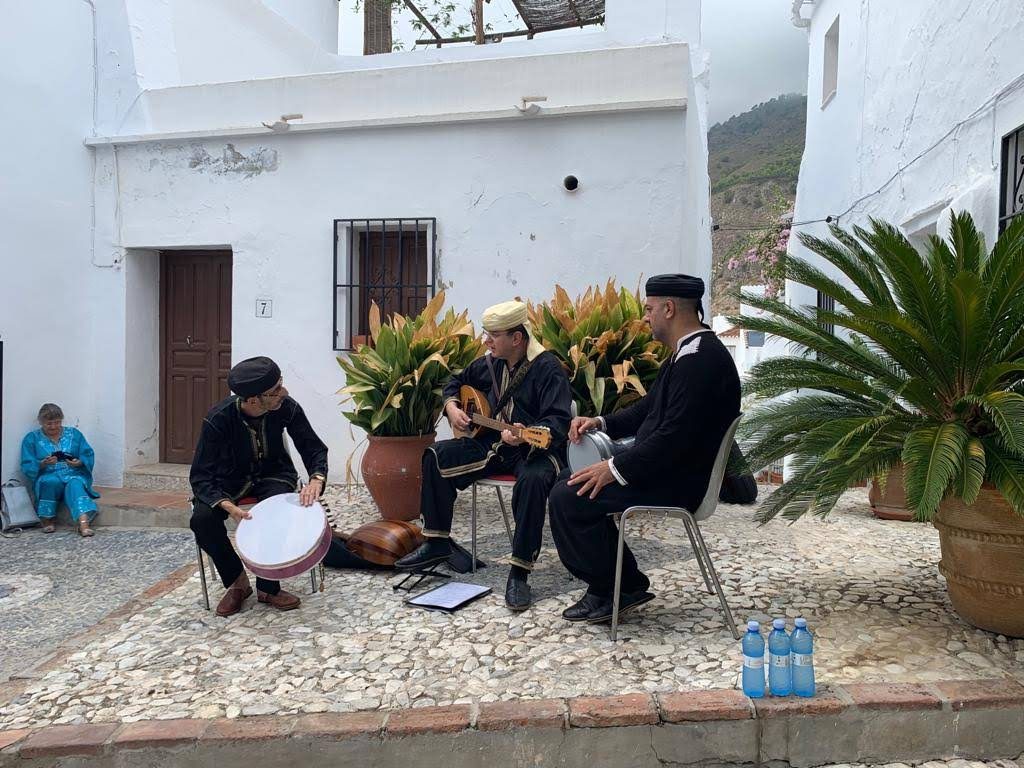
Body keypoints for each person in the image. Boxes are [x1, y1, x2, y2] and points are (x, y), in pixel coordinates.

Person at [549, 274, 741, 624]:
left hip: (679, 481)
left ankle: (615, 587)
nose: (646, 317)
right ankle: (621, 583)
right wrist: (600, 423)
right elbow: (647, 411)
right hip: (667, 469)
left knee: (568, 496)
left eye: (650, 309)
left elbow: (673, 439)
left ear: (669, 309)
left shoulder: (701, 361)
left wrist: (613, 469)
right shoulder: (687, 353)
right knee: (570, 479)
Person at [394, 300, 573, 611]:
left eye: (493, 335)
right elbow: (454, 383)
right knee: (436, 455)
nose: (486, 341)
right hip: (494, 444)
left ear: (517, 338)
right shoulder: (490, 363)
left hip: (537, 450)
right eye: (485, 333)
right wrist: (452, 408)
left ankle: (519, 572)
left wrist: (526, 432)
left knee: (532, 481)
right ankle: (436, 542)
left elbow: (559, 420)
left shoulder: (548, 369)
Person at [189, 356, 344, 617]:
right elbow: (200, 477)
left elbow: (312, 447)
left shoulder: (286, 407)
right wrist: (227, 506)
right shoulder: (218, 419)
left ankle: (268, 588)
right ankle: (237, 582)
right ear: (252, 400)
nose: (283, 392)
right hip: (228, 482)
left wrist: (317, 479)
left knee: (275, 513)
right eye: (274, 391)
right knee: (202, 520)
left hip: (274, 475)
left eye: (281, 384)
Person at [20, 403, 100, 536]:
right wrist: (43, 464)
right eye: (49, 424)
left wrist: (79, 462)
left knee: (75, 484)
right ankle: (47, 519)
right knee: (50, 482)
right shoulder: (32, 438)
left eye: (57, 423)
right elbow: (27, 463)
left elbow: (87, 453)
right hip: (48, 473)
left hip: (72, 472)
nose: (53, 427)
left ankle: (83, 523)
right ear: (41, 422)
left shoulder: (74, 434)